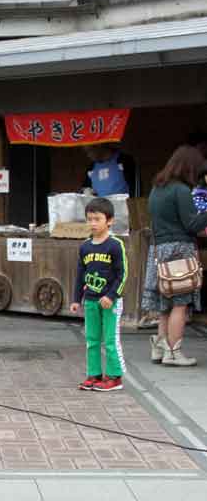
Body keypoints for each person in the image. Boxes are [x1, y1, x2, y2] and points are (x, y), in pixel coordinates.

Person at [142, 145, 207, 367]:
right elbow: (193, 224)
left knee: (165, 303)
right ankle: (174, 352)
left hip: (159, 250)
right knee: (180, 303)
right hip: (180, 251)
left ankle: (160, 347)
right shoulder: (180, 190)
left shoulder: (157, 189)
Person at [69, 198, 128, 392]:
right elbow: (80, 275)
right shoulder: (85, 247)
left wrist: (111, 296)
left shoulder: (115, 245)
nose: (93, 223)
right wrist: (76, 299)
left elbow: (123, 274)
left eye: (97, 219)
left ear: (109, 221)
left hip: (110, 302)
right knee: (91, 340)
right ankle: (94, 375)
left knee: (110, 340)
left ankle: (114, 376)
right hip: (91, 302)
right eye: (89, 219)